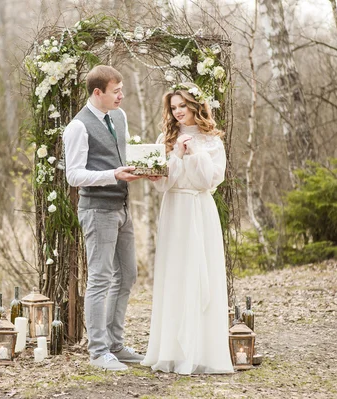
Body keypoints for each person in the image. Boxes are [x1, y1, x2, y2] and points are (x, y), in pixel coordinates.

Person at [140, 83, 234, 375]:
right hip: (174, 211)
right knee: (176, 273)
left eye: (183, 106)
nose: (178, 112)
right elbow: (163, 184)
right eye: (173, 107)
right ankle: (171, 350)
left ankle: (203, 351)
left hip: (200, 208)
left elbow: (209, 181)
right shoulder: (165, 138)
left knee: (201, 271)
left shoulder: (212, 140)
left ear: (195, 106)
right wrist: (176, 156)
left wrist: (194, 153)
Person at [63, 65, 145, 371]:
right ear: (97, 93)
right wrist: (113, 174)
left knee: (128, 275)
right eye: (116, 91)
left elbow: (122, 157)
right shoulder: (77, 127)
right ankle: (98, 352)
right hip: (97, 211)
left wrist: (145, 168)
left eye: (122, 89)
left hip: (123, 207)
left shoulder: (119, 117)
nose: (121, 95)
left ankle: (115, 345)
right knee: (99, 279)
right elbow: (74, 175)